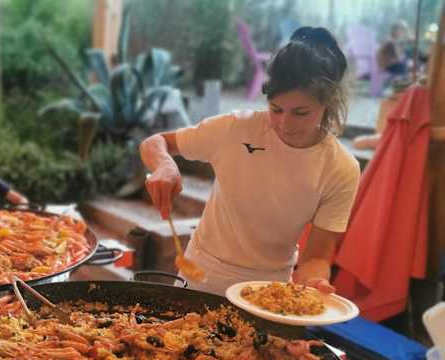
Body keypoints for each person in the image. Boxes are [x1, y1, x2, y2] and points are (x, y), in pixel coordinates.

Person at [141, 27, 360, 296]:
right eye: (276, 109)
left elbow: (316, 257)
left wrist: (314, 282)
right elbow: (155, 142)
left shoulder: (340, 168)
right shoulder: (235, 127)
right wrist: (165, 165)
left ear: (328, 101)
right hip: (202, 277)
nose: (284, 124)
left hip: (268, 291)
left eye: (301, 113)